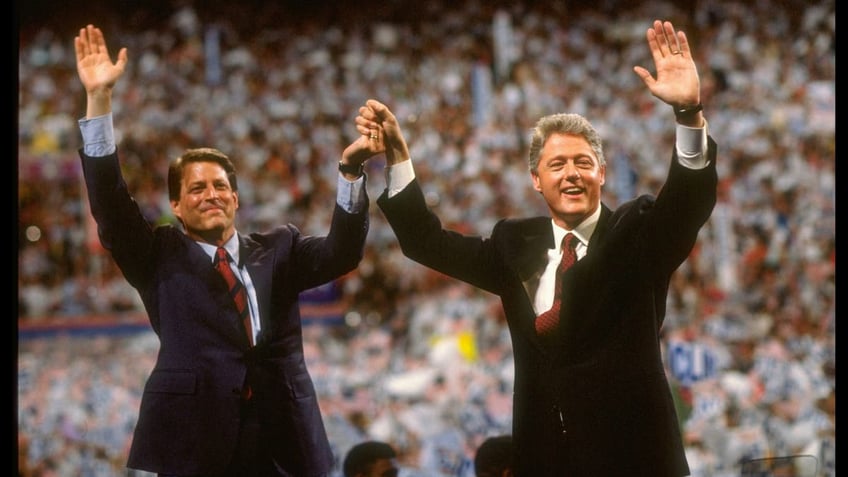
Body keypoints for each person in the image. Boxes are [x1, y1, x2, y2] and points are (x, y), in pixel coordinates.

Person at [358, 19, 717, 476]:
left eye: (583, 163)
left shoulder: (637, 234)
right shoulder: (513, 243)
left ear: (601, 174)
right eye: (557, 164)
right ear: (536, 180)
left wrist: (689, 114)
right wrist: (398, 157)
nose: (571, 174)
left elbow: (687, 203)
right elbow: (425, 242)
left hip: (635, 460)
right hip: (546, 460)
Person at [74, 24, 378, 477]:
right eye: (196, 189)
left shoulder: (280, 248)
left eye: (221, 187)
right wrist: (99, 101)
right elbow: (111, 207)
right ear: (175, 205)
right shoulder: (156, 256)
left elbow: (342, 253)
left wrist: (350, 173)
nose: (211, 194)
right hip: (196, 439)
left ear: (236, 199)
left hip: (284, 438)